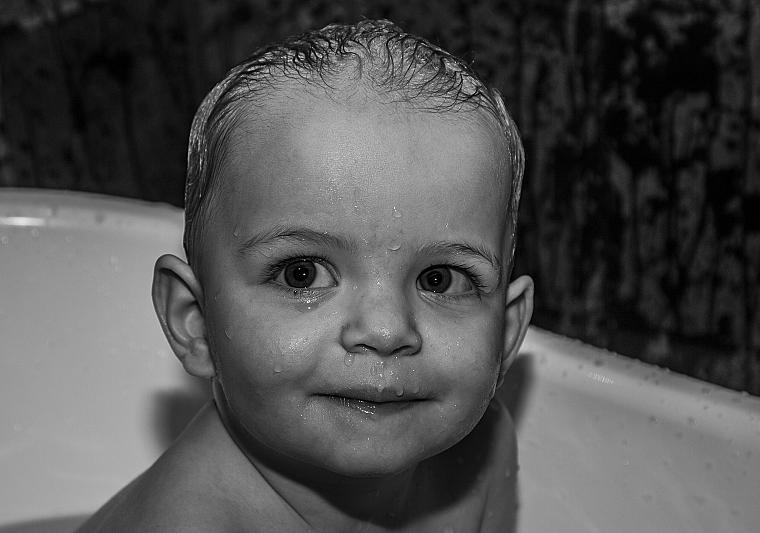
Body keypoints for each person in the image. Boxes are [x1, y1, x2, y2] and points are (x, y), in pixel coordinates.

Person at [78, 19, 533, 532]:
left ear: (506, 334)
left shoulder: (479, 452)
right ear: (196, 323)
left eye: (440, 280)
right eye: (302, 275)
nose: (386, 331)